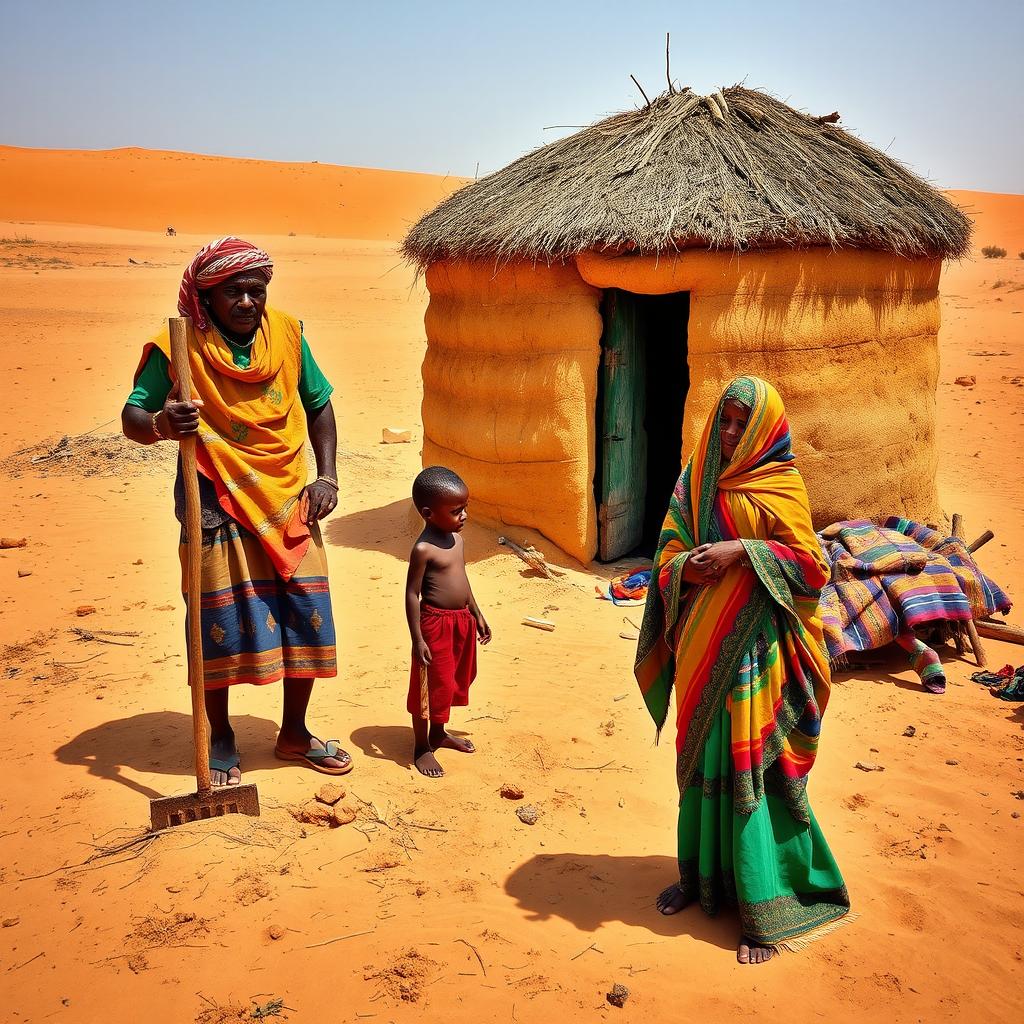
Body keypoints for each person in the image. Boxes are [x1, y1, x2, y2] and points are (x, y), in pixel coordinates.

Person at [635, 376, 850, 964]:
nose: (728, 435)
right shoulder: (696, 476)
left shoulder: (782, 485)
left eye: (740, 425)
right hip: (701, 651)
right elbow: (667, 554)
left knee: (750, 764)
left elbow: (812, 568)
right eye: (724, 421)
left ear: (764, 431)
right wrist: (684, 570)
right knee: (702, 758)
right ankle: (699, 879)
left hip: (759, 653)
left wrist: (741, 552)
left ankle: (763, 909)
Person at [122, 236, 351, 785]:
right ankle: (219, 733)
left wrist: (327, 477)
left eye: (258, 290)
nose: (249, 302)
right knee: (217, 618)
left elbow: (319, 404)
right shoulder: (176, 346)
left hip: (288, 493)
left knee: (306, 610)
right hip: (212, 495)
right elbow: (133, 416)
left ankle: (294, 732)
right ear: (205, 298)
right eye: (235, 293)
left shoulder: (289, 334)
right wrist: (161, 425)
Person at [405, 466, 491, 777]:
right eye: (456, 511)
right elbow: (412, 594)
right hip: (434, 624)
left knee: (450, 679)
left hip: (461, 622)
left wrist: (476, 613)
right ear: (428, 513)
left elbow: (462, 579)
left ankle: (438, 733)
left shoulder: (457, 540)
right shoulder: (423, 549)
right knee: (427, 686)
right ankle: (421, 747)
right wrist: (417, 639)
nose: (464, 516)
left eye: (465, 508)